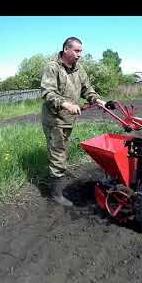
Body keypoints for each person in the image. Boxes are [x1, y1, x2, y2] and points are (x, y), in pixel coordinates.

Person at [41, 36, 106, 206]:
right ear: (66, 49)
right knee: (58, 154)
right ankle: (55, 194)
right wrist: (65, 103)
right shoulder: (53, 67)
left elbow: (87, 89)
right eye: (76, 51)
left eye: (80, 52)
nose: (79, 55)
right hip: (55, 119)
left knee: (61, 151)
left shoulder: (79, 69)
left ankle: (57, 174)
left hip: (68, 119)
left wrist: (96, 100)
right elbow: (47, 92)